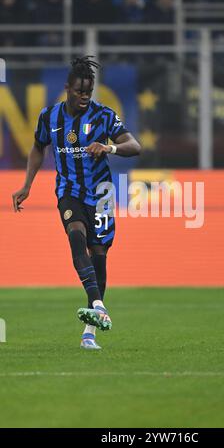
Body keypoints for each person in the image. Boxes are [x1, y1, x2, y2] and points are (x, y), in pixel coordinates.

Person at [12, 56, 141, 350]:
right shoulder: (50, 117)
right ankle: (98, 304)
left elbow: (135, 146)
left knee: (98, 255)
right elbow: (37, 147)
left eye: (89, 92)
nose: (84, 97)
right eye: (79, 91)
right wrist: (27, 185)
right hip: (69, 190)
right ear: (67, 87)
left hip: (102, 192)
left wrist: (109, 146)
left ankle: (89, 331)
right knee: (75, 235)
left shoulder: (104, 116)